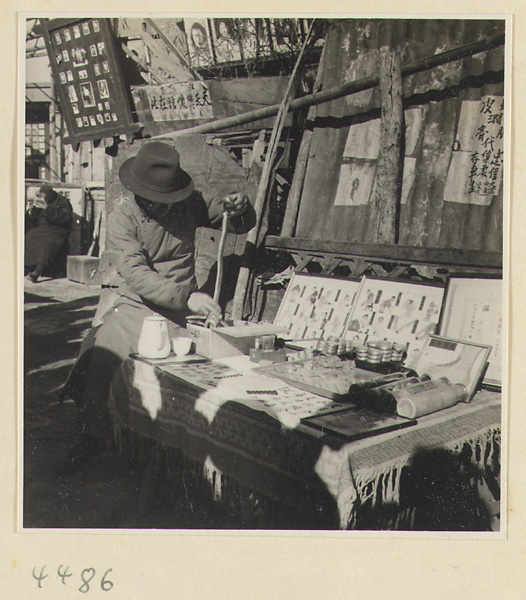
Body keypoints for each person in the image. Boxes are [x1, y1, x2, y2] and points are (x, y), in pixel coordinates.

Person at [56, 141, 255, 475]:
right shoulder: (122, 218)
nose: (162, 208)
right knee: (100, 354)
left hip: (179, 312)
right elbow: (137, 274)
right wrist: (186, 297)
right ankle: (95, 435)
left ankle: (172, 452)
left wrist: (240, 206)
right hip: (137, 304)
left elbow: (236, 222)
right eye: (154, 202)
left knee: (183, 376)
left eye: (168, 201)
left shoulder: (190, 202)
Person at [25, 184, 73, 283]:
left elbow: (64, 218)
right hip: (43, 228)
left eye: (44, 196)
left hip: (58, 230)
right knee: (28, 238)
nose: (43, 198)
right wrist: (31, 211)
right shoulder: (41, 201)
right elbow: (35, 219)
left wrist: (47, 209)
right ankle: (27, 267)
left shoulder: (62, 201)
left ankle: (37, 272)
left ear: (50, 195)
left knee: (47, 243)